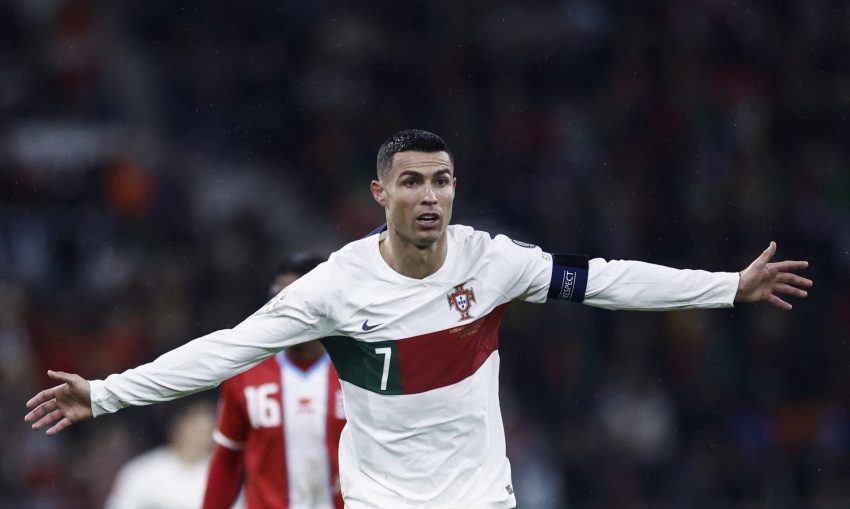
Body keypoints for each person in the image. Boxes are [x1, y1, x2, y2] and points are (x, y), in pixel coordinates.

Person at [26, 129, 812, 508]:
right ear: (381, 194)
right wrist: (107, 392)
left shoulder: (491, 261)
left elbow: (605, 279)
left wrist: (726, 287)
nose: (430, 195)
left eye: (442, 180)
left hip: (480, 497)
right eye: (412, 181)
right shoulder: (336, 287)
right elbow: (227, 350)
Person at [203, 254, 346, 509]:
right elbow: (227, 460)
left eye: (297, 299)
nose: (286, 311)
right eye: (279, 300)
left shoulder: (358, 369)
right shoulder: (246, 372)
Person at [104, 400, 216, 509]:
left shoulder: (218, 476)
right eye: (194, 429)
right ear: (178, 427)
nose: (199, 438)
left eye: (206, 432)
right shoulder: (143, 470)